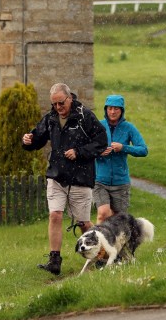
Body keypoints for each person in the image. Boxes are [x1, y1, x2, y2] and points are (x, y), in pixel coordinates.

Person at [22, 82, 111, 275]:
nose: (58, 108)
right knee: (55, 215)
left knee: (83, 223)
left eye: (61, 103)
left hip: (80, 178)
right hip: (56, 176)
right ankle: (55, 260)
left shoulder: (85, 116)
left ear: (69, 98)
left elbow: (102, 142)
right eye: (54, 104)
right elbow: (37, 138)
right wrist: (28, 141)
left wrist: (79, 152)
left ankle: (103, 254)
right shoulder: (51, 118)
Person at [93, 94, 148, 225]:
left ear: (121, 110)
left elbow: (143, 150)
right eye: (110, 108)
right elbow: (86, 149)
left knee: (120, 221)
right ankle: (99, 244)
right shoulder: (98, 126)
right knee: (103, 214)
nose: (112, 112)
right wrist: (99, 152)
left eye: (116, 109)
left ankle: (116, 243)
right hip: (100, 181)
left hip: (121, 183)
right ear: (105, 109)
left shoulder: (129, 128)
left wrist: (123, 147)